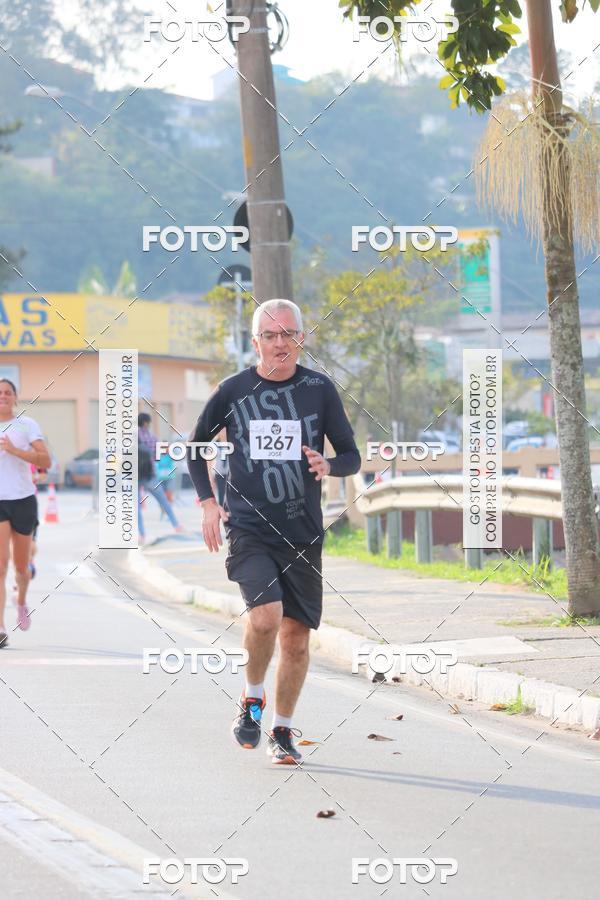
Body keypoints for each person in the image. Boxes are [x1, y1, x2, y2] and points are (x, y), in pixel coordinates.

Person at [187, 299, 361, 764]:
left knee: (296, 639)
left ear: (301, 338)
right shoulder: (233, 390)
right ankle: (251, 698)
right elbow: (195, 448)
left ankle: (281, 731)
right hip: (249, 527)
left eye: (288, 334)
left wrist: (330, 463)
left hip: (302, 532)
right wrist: (207, 503)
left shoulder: (320, 390)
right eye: (270, 335)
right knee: (265, 617)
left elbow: (351, 455)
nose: (279, 343)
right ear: (256, 342)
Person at [0, 379, 51, 646]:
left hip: (22, 500)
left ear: (15, 398)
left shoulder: (27, 425)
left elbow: (46, 461)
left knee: (22, 567)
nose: (3, 396)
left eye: (8, 393)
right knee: (0, 566)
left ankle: (20, 601)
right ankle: (0, 628)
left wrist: (14, 450)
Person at [137, 413, 183, 544]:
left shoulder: (130, 436)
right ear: (146, 423)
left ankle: (141, 535)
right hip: (150, 475)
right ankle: (176, 525)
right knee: (163, 500)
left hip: (134, 476)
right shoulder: (153, 438)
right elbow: (159, 454)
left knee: (136, 507)